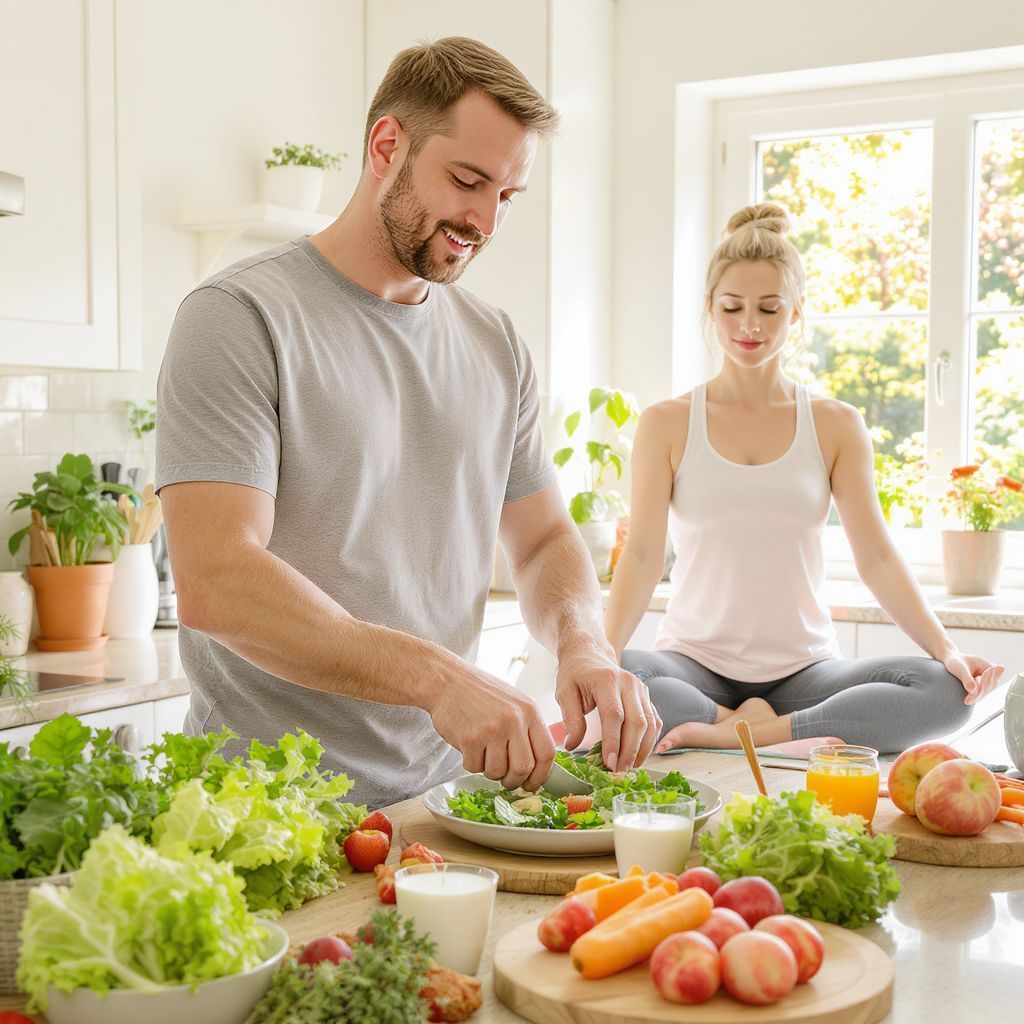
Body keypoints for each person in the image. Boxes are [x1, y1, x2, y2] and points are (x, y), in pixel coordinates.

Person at [155, 37, 660, 808]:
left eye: (508, 195)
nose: (485, 219)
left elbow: (545, 540)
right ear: (387, 145)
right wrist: (438, 679)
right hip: (265, 806)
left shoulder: (496, 346)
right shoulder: (239, 317)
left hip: (442, 804)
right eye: (467, 180)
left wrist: (583, 644)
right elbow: (217, 579)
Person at [604, 203, 1005, 756]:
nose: (749, 325)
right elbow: (644, 555)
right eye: (732, 307)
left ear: (795, 312)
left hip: (805, 671)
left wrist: (946, 647)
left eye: (769, 309)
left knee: (943, 691)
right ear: (709, 309)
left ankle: (750, 733)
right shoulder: (666, 423)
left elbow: (879, 558)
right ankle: (747, 722)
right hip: (693, 667)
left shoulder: (835, 424)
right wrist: (597, 662)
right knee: (624, 673)